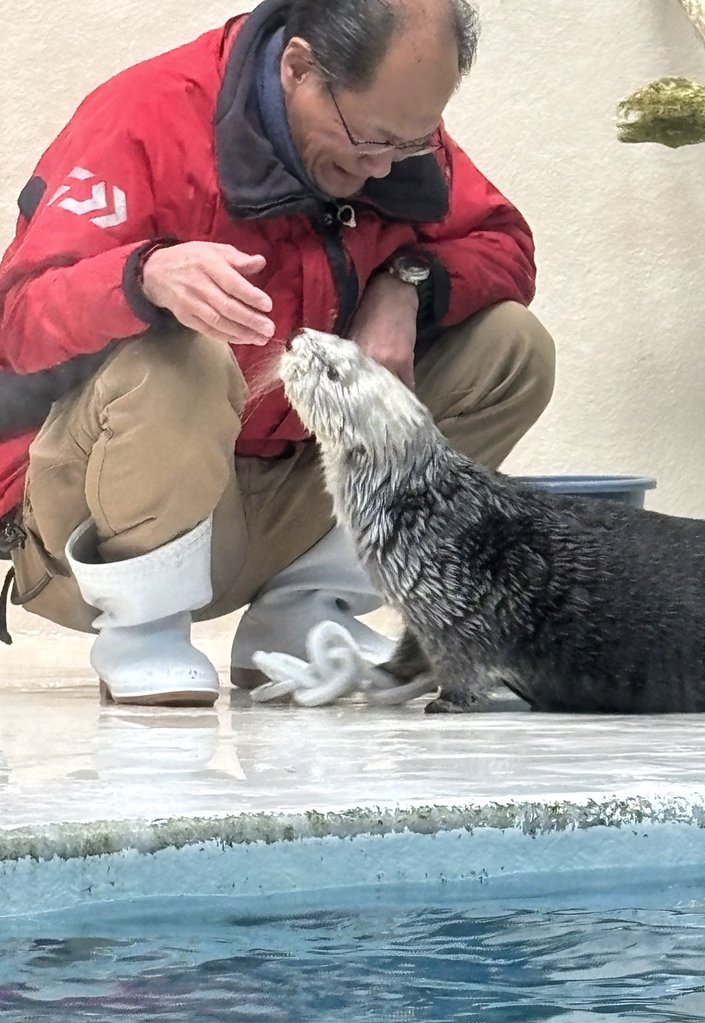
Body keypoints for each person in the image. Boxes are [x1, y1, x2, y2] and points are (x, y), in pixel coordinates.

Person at [0, 0, 555, 706]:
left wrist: (406, 286)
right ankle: (143, 632)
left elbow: (505, 243)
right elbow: (15, 319)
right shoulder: (145, 117)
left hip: (287, 501)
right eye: (367, 140)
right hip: (111, 521)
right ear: (299, 68)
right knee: (183, 355)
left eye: (410, 145)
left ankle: (306, 611)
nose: (381, 167)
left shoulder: (395, 135)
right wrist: (142, 277)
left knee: (511, 349)